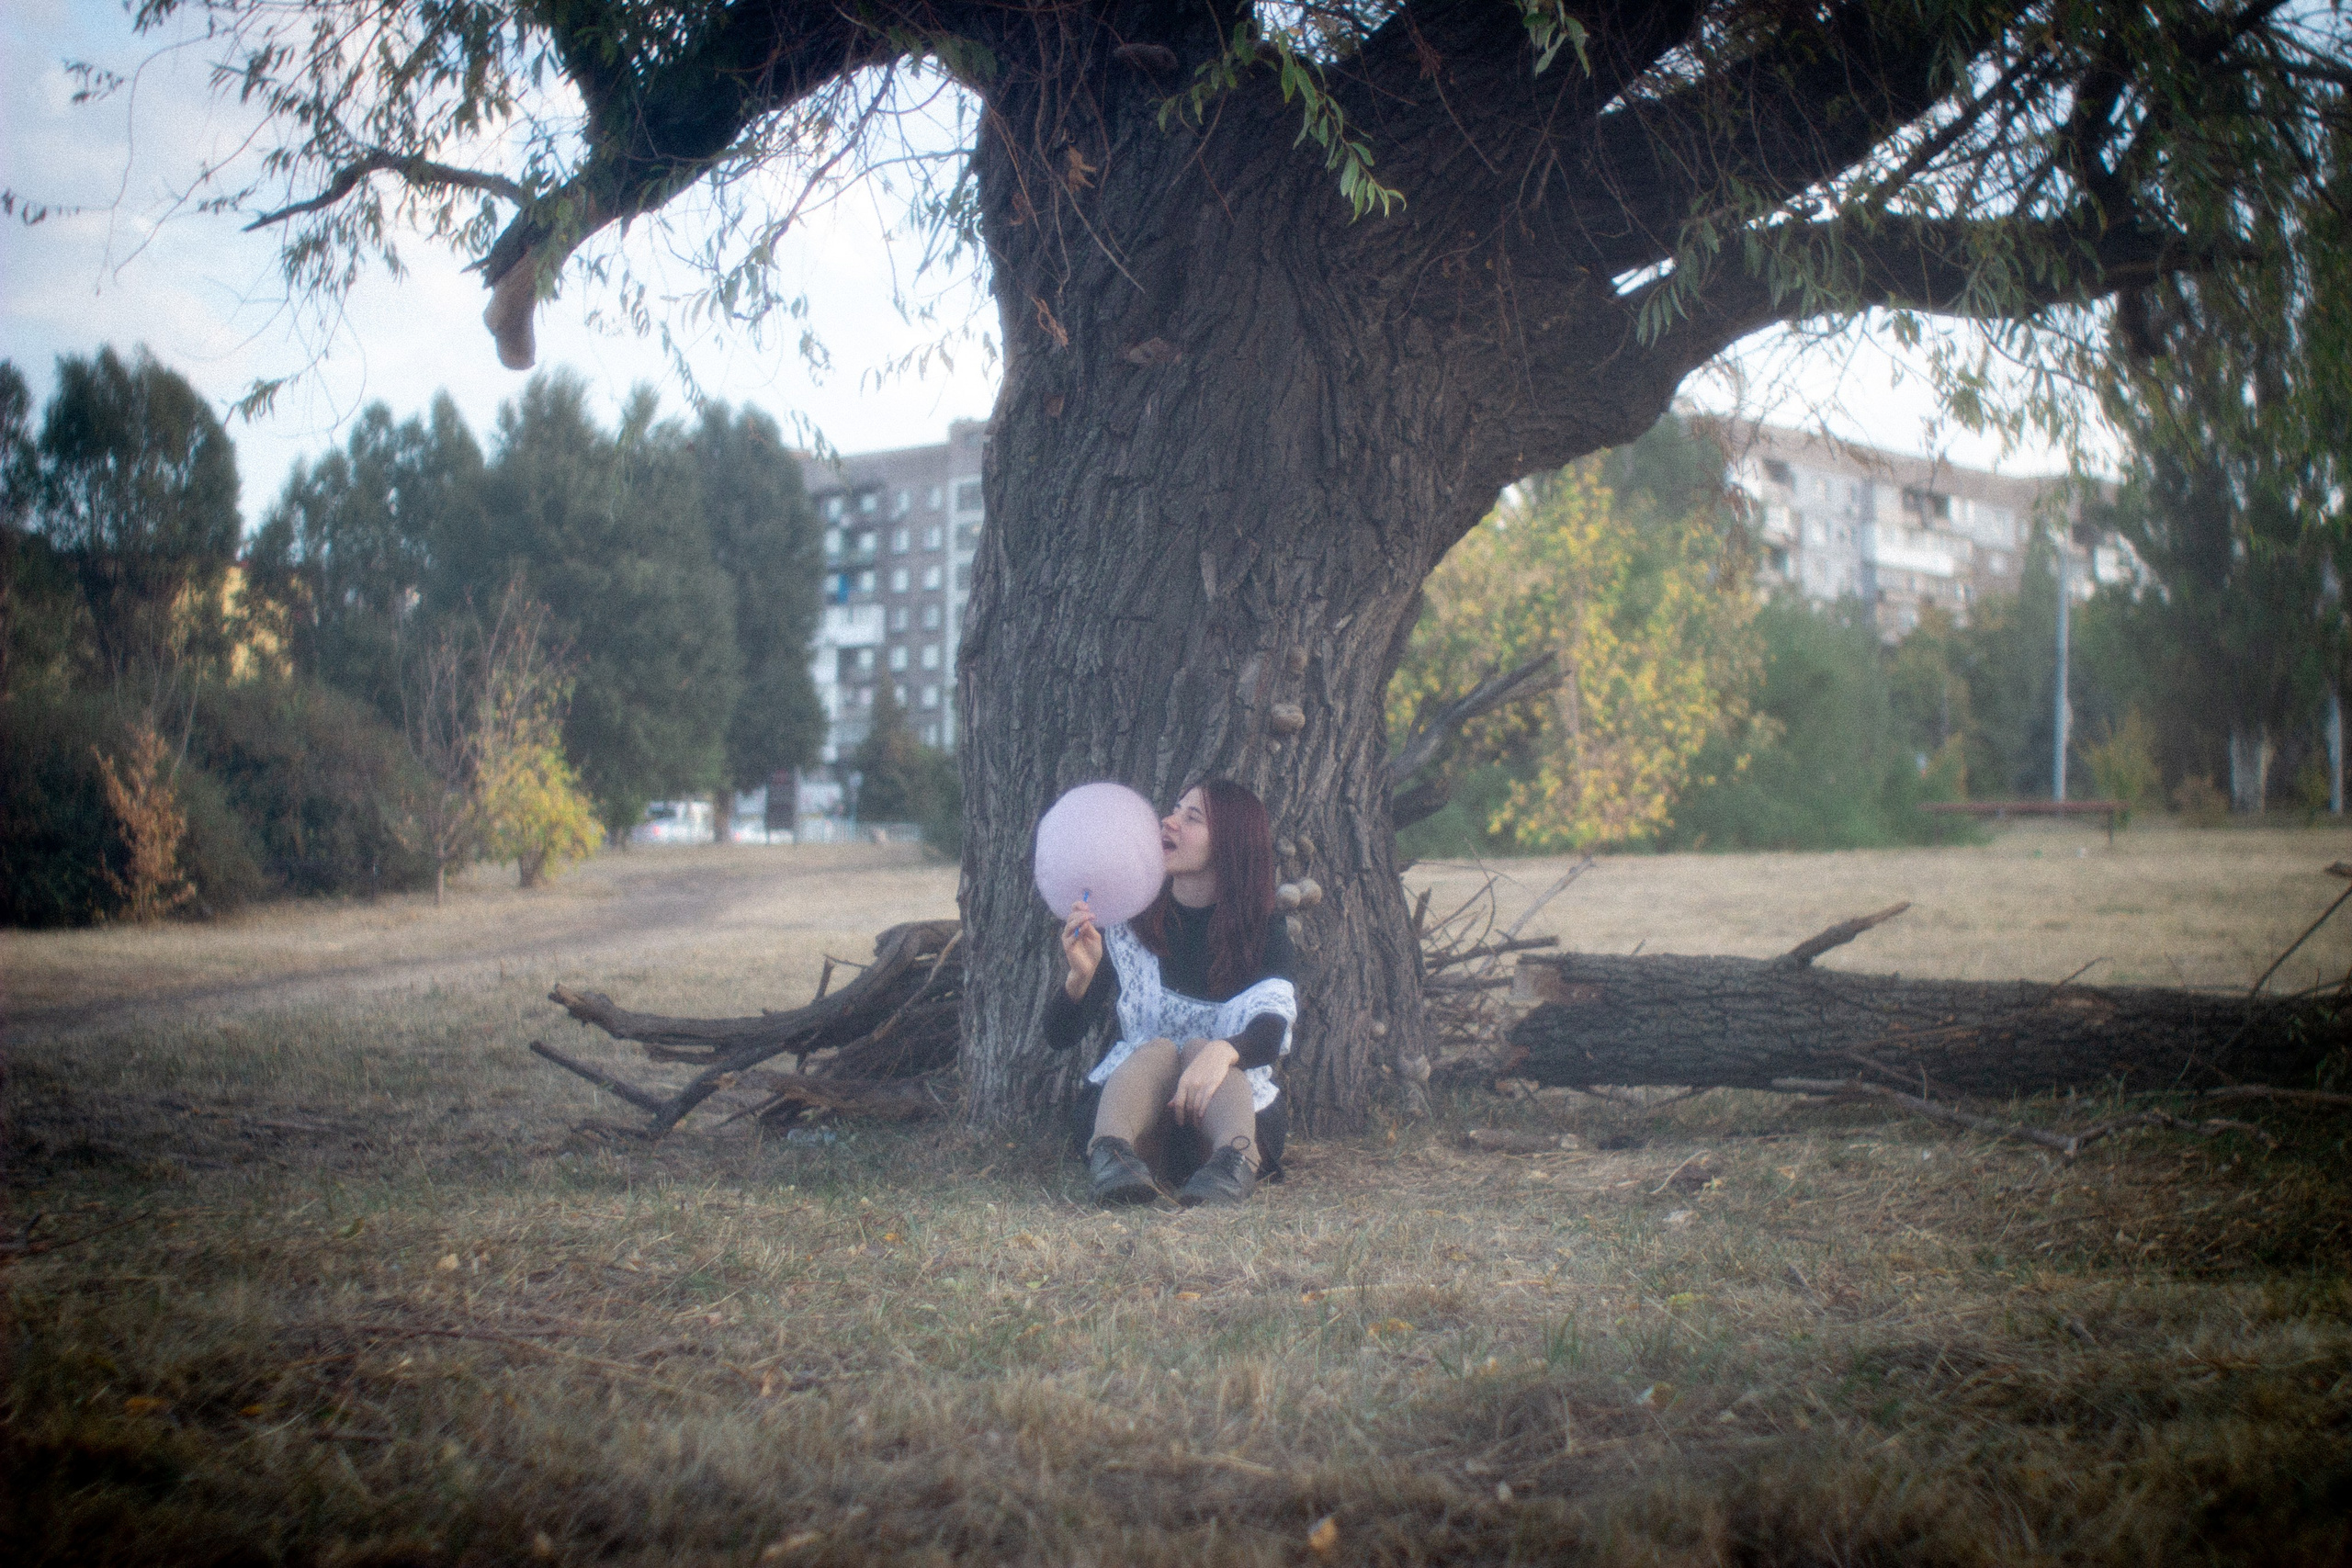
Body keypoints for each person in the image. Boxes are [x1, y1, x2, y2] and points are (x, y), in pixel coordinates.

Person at [1045, 779, 1296, 1207]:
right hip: (1138, 1120)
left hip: (1224, 1119)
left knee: (1202, 1046)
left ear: (1229, 845)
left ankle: (1231, 1166)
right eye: (1175, 809)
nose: (1169, 821)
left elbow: (1271, 1033)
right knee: (1160, 1050)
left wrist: (1220, 1053)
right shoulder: (1130, 918)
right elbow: (1060, 1036)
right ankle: (1113, 1160)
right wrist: (1080, 978)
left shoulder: (1263, 932)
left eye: (1191, 817)